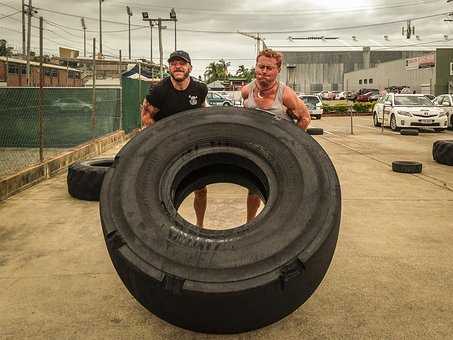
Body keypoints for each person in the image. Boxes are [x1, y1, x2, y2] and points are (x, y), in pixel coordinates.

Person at [241, 48, 311, 222]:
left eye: (269, 68)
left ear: (278, 70)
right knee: (254, 188)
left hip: (281, 150)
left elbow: (305, 118)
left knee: (281, 190)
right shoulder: (246, 91)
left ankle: (278, 225)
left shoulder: (286, 95)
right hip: (256, 148)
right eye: (261, 67)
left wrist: (291, 144)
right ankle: (250, 223)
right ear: (255, 67)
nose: (264, 71)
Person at [140, 50, 209, 227]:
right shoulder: (158, 91)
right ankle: (167, 227)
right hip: (166, 147)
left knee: (200, 189)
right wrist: (161, 139)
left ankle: (199, 225)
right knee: (165, 190)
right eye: (173, 63)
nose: (177, 66)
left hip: (192, 145)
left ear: (189, 68)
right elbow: (146, 117)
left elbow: (203, 113)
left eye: (182, 63)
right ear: (169, 68)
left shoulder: (200, 89)